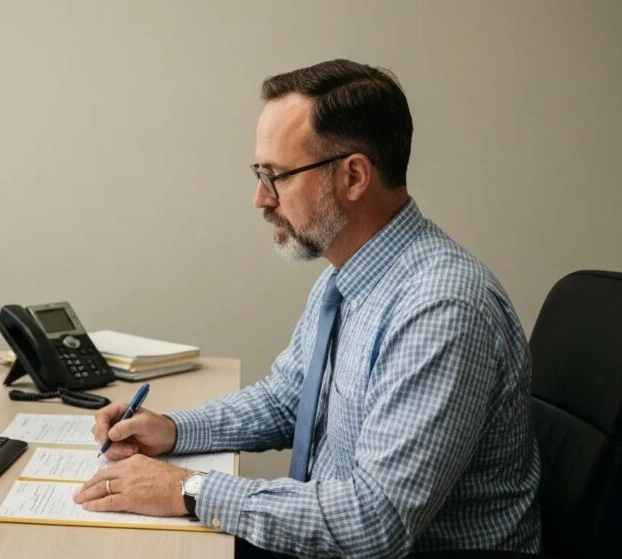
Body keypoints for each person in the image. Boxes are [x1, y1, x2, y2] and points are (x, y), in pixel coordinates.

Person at [72, 59, 541, 558]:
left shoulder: (441, 308)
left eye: (276, 176)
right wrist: (175, 430)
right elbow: (289, 399)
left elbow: (374, 522)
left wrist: (187, 490)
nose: (259, 198)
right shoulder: (347, 277)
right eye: (259, 174)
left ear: (354, 176)